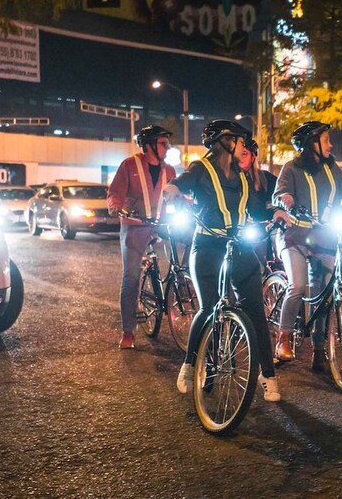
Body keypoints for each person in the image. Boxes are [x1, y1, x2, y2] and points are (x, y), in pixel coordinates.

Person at [162, 120, 290, 402]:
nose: (245, 147)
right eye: (241, 141)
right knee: (208, 308)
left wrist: (275, 213)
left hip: (238, 245)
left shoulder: (243, 178)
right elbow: (181, 183)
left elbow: (255, 208)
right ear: (226, 142)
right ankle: (189, 364)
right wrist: (172, 189)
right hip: (207, 245)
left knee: (255, 311)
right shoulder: (201, 169)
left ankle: (268, 376)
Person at [273, 120, 342, 371]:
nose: (330, 144)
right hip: (295, 235)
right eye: (325, 140)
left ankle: (319, 346)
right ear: (311, 144)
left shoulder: (331, 167)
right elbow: (279, 194)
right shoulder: (291, 168)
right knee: (299, 285)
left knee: (325, 292)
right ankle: (283, 338)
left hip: (325, 235)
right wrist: (287, 199)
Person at [107, 125, 176, 350]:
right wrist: (115, 206)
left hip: (160, 225)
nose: (167, 147)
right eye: (163, 143)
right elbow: (115, 192)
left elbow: (178, 197)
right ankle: (128, 331)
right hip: (134, 226)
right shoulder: (129, 165)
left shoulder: (170, 171)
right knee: (132, 277)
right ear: (149, 146)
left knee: (190, 247)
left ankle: (180, 286)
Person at [238, 135, 278, 267]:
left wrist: (276, 211)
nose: (240, 157)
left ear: (253, 156)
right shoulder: (230, 179)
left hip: (261, 227)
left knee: (265, 259)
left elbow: (281, 193)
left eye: (244, 154)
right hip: (238, 229)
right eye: (238, 154)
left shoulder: (265, 178)